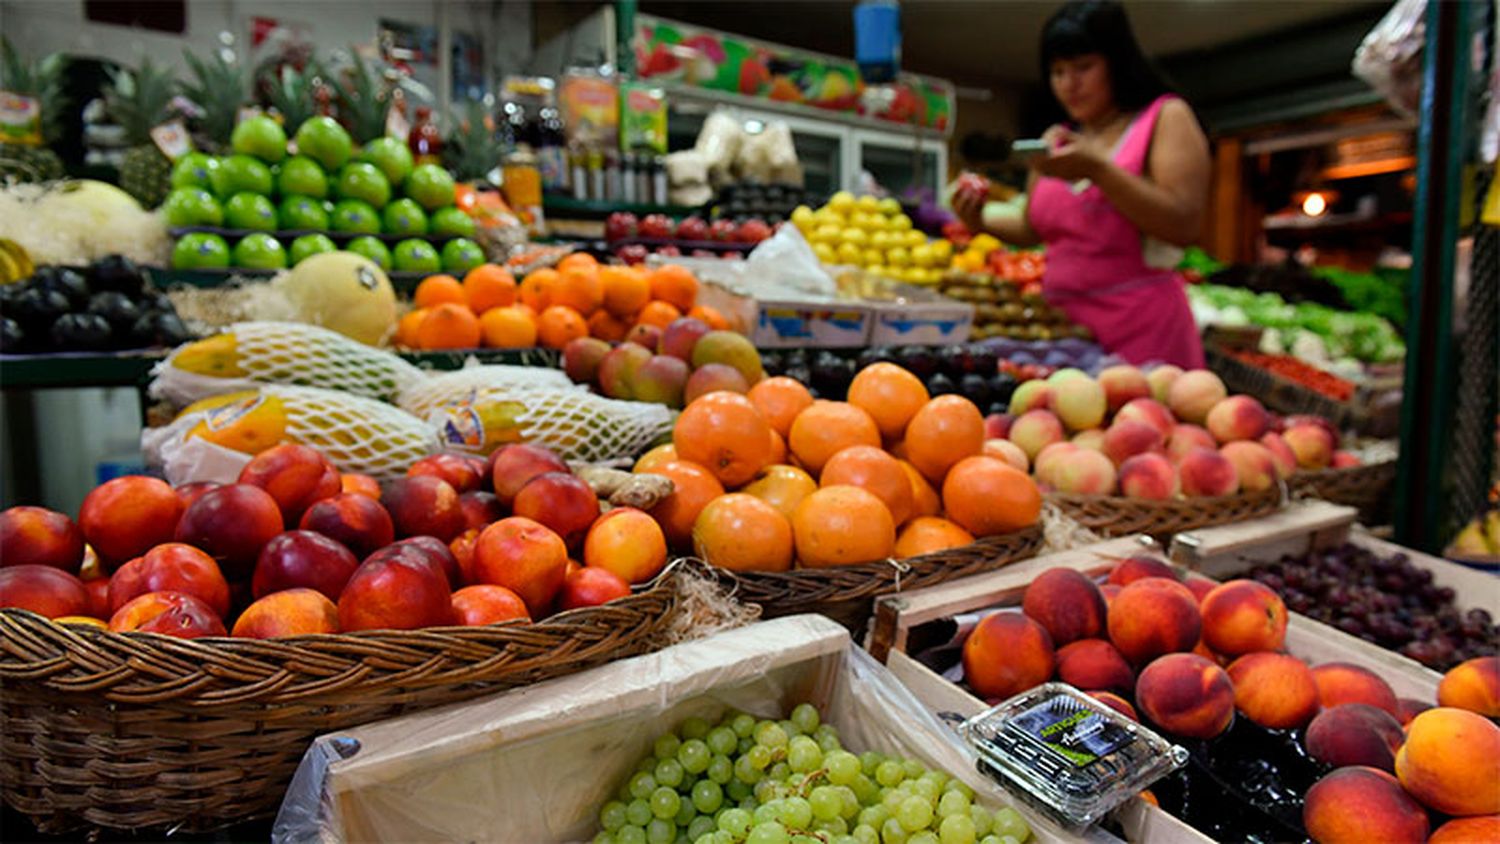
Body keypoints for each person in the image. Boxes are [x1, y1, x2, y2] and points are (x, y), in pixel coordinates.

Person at [953, 0, 1211, 369]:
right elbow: (1031, 227)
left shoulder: (1165, 117)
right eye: (1057, 72)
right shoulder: (1058, 141)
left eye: (1083, 67)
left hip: (1144, 335)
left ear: (1118, 62)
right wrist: (977, 218)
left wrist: (1099, 171)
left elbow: (1183, 224)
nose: (1068, 84)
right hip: (1062, 336)